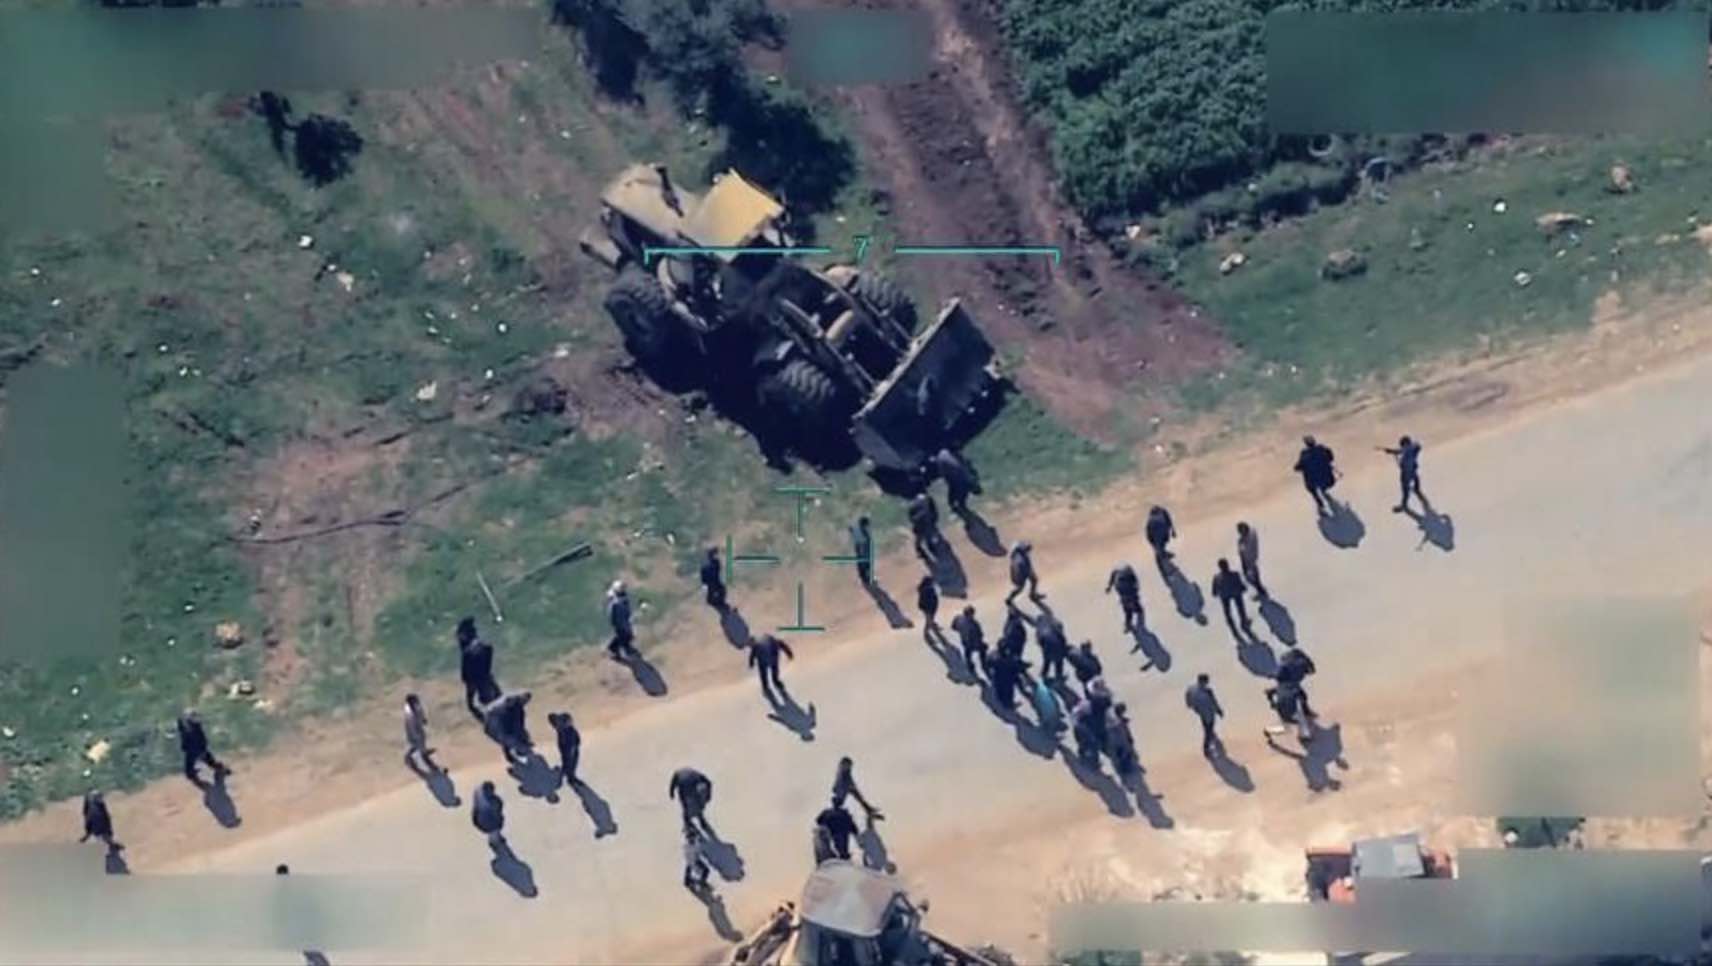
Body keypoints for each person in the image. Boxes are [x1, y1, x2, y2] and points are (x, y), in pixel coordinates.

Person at [458, 618, 499, 720]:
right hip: (486, 677)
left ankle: (489, 722)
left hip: (477, 680)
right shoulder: (483, 647)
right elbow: (489, 650)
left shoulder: (467, 652)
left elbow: (465, 675)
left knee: (474, 705)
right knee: (496, 699)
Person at [176, 709, 228, 784]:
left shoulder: (193, 728)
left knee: (190, 771)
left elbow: (186, 736)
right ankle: (221, 769)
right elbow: (202, 740)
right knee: (211, 762)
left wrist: (180, 726)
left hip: (194, 752)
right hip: (200, 750)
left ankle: (220, 770)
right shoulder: (196, 727)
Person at [483, 690, 534, 766]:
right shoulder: (510, 704)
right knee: (507, 738)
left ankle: (517, 753)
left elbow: (518, 724)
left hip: (497, 721)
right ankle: (516, 754)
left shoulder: (516, 707)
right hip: (494, 722)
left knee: (510, 738)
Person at [1210, 559, 1254, 640]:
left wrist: (1217, 592)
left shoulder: (1216, 577)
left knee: (1227, 612)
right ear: (1228, 565)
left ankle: (1232, 627)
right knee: (1241, 609)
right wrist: (1243, 588)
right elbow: (1241, 586)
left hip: (1224, 596)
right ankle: (1244, 623)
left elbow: (1214, 592)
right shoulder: (1235, 574)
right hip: (1236, 593)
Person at [1381, 435, 1426, 513]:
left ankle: (1404, 505)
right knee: (1416, 479)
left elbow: (1401, 451)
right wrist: (1393, 451)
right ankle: (1417, 490)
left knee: (1405, 490)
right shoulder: (1414, 448)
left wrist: (1391, 451)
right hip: (1412, 469)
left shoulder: (1407, 449)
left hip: (1406, 473)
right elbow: (1416, 446)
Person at [1294, 436, 1338, 516]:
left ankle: (1321, 506)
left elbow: (1298, 467)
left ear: (1306, 444)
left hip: (1312, 481)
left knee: (1313, 490)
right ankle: (1324, 492)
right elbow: (1331, 458)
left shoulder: (1304, 454)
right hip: (1327, 478)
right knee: (1322, 481)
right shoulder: (1322, 449)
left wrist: (1300, 467)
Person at [831, 756, 884, 821]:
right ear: (843, 764)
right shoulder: (842, 774)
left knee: (856, 794)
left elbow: (850, 782)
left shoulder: (846, 774)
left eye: (850, 766)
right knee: (851, 794)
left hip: (844, 790)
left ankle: (868, 809)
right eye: (848, 765)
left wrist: (853, 787)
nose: (849, 767)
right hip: (841, 793)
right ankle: (868, 809)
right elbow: (840, 784)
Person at [1185, 673, 1225, 756]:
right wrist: (1219, 711)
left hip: (1201, 713)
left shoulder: (1191, 688)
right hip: (1208, 714)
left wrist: (1191, 706)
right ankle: (1206, 749)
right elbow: (1213, 702)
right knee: (1208, 731)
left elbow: (1188, 697)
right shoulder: (1208, 692)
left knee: (1207, 727)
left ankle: (1211, 735)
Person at [932, 447, 981, 516]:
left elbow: (967, 463)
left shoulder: (969, 477)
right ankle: (956, 505)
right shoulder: (966, 481)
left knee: (954, 486)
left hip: (945, 459)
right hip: (946, 465)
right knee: (954, 487)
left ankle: (955, 505)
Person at [748, 633, 795, 701]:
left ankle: (768, 687)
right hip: (772, 659)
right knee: (773, 675)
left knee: (765, 675)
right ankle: (775, 684)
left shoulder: (757, 646)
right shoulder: (767, 639)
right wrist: (789, 653)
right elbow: (781, 644)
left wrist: (751, 663)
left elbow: (752, 655)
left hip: (766, 661)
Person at [670, 766, 715, 834]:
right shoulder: (681, 778)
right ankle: (690, 822)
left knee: (694, 805)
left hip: (691, 788)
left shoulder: (696, 776)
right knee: (687, 807)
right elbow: (673, 785)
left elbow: (708, 783)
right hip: (684, 788)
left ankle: (698, 819)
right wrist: (672, 792)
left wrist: (708, 795)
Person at [403, 693, 440, 775]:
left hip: (419, 728)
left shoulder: (417, 706)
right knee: (417, 745)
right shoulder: (409, 714)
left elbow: (421, 712)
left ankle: (418, 753)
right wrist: (417, 736)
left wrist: (423, 719)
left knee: (419, 743)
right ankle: (429, 764)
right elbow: (411, 728)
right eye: (415, 701)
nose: (418, 702)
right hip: (414, 732)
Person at [1276, 647, 1318, 718]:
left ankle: (1305, 712)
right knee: (1300, 695)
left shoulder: (1295, 658)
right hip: (1288, 680)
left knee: (1300, 695)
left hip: (1286, 679)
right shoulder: (1299, 662)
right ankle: (1305, 712)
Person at [951, 606, 988, 679]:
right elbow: (980, 634)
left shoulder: (958, 619)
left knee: (967, 653)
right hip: (973, 643)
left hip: (965, 641)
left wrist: (961, 631)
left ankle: (969, 664)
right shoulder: (974, 624)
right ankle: (983, 663)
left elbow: (953, 627)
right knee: (982, 650)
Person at [1105, 563, 1144, 632]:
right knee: (1127, 611)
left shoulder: (1129, 575)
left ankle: (1138, 617)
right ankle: (1128, 625)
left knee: (1136, 607)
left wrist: (1135, 591)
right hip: (1123, 594)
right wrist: (1109, 587)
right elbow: (1111, 580)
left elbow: (1136, 582)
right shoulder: (1116, 573)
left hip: (1131, 592)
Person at [605, 580, 637, 660]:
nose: (623, 589)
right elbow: (613, 613)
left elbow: (626, 607)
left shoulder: (623, 597)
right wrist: (616, 623)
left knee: (628, 635)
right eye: (622, 588)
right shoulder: (615, 601)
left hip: (624, 619)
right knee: (622, 636)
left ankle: (619, 647)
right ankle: (616, 651)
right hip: (619, 621)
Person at [549, 711, 581, 786]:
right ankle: (560, 779)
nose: (571, 722)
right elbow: (563, 744)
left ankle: (571, 777)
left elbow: (576, 737)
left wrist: (577, 744)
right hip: (568, 751)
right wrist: (568, 751)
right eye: (569, 722)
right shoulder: (562, 731)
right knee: (566, 765)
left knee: (573, 764)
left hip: (573, 749)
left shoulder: (569, 728)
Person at [1235, 522, 1267, 600]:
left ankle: (1262, 592)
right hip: (1247, 562)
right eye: (1239, 530)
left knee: (1253, 579)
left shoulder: (1249, 537)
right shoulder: (1241, 540)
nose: (1240, 532)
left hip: (1251, 563)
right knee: (1252, 579)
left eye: (1241, 530)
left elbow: (1244, 551)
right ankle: (1261, 591)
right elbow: (1241, 553)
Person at [471, 780, 507, 848]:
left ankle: (497, 837)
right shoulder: (483, 803)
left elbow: (500, 806)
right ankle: (493, 842)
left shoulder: (494, 799)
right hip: (488, 823)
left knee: (496, 830)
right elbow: (476, 813)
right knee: (493, 832)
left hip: (494, 820)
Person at [907, 492, 940, 559]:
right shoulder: (926, 500)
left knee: (924, 537)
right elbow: (933, 510)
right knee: (923, 537)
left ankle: (925, 549)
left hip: (922, 522)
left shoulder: (915, 503)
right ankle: (922, 549)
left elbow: (911, 517)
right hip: (922, 522)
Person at [683, 824, 712, 889]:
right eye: (692, 838)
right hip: (693, 860)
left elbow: (698, 852)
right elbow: (693, 856)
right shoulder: (691, 846)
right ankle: (701, 883)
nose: (693, 839)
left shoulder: (692, 844)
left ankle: (687, 881)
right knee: (706, 870)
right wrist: (695, 864)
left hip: (692, 859)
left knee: (689, 867)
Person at [851, 516, 874, 588]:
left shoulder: (859, 530)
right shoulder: (861, 531)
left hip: (861, 547)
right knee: (864, 563)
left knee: (863, 563)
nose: (868, 527)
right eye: (867, 525)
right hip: (862, 547)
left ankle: (865, 578)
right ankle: (865, 578)